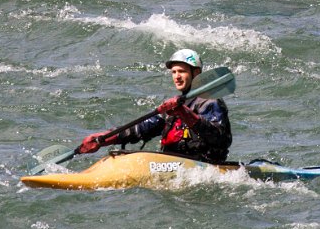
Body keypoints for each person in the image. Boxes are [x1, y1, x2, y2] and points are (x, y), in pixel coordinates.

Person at [77, 48, 232, 163]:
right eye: (173, 72)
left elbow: (219, 138)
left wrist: (183, 112)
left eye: (181, 71)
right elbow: (141, 128)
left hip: (203, 164)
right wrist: (103, 139)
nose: (177, 77)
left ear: (196, 73)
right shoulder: (174, 105)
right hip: (173, 163)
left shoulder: (210, 102)